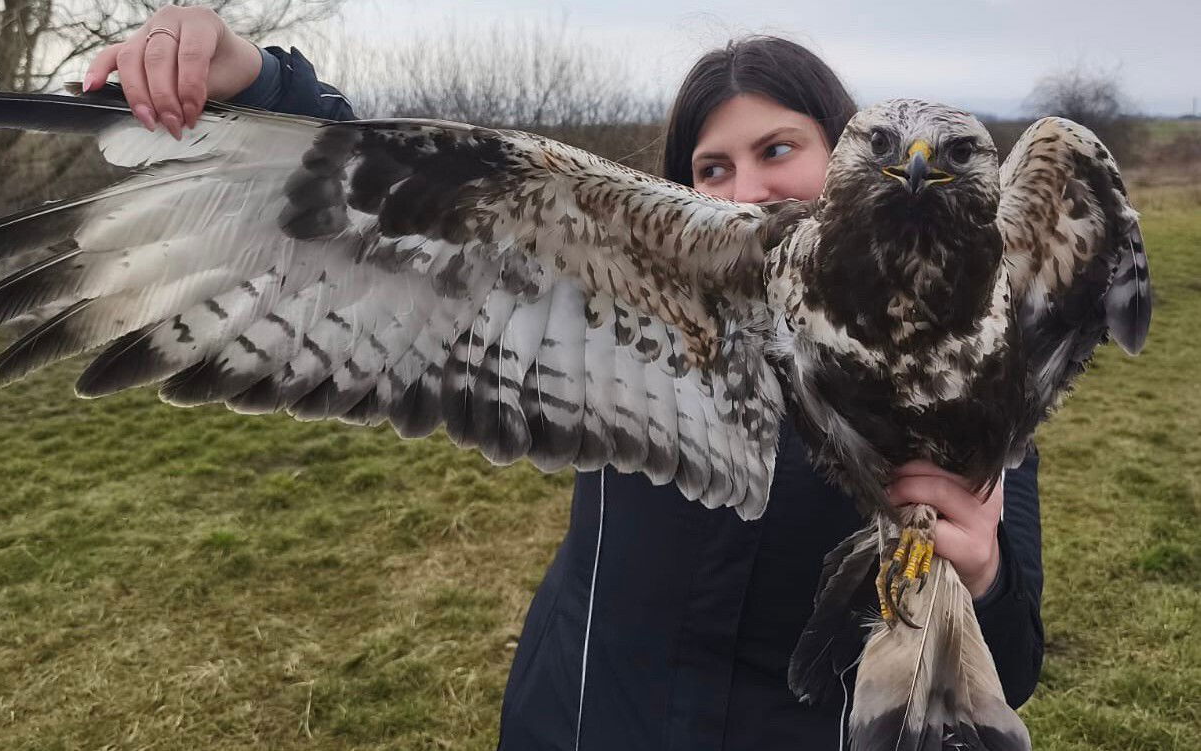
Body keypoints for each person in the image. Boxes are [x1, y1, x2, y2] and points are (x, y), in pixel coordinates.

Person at [84, 9, 1045, 749]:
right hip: (582, 719)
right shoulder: (654, 292)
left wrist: (984, 575)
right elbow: (418, 203)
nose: (744, 189)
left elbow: (1017, 656)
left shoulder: (971, 345)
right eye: (710, 169)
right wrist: (260, 81)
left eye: (778, 149)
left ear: (849, 158)